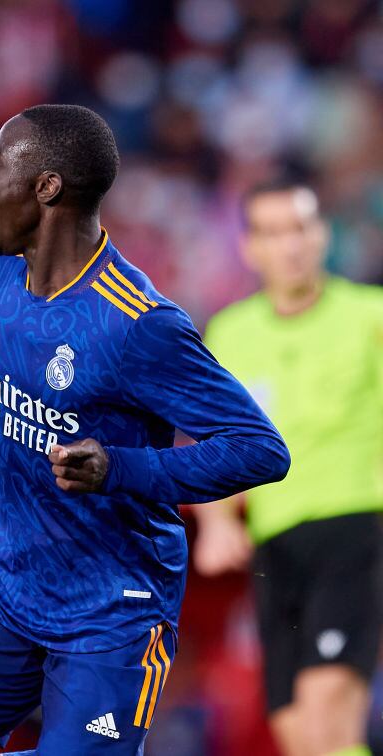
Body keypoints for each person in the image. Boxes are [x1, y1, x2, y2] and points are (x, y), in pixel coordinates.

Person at [0, 104, 290, 755]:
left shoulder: (138, 324)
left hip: (110, 612)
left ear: (47, 186)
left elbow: (259, 450)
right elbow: (2, 391)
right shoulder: (5, 271)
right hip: (3, 585)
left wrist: (123, 468)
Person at [193, 179, 383, 756]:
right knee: (298, 734)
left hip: (357, 525)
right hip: (273, 543)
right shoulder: (230, 333)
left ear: (323, 235)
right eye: (273, 233)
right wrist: (217, 523)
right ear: (250, 248)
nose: (291, 246)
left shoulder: (370, 316)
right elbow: (218, 441)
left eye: (300, 228)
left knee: (329, 714)